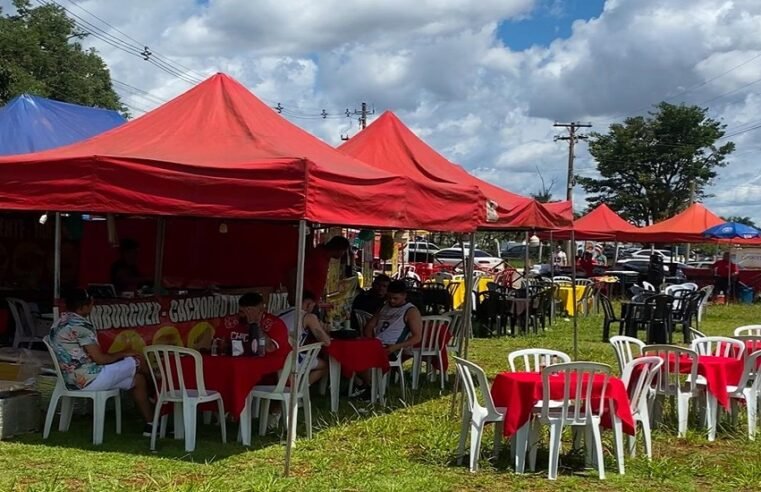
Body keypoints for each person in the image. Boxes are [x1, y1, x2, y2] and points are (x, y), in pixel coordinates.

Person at [48, 288, 154, 436]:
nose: (92, 306)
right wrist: (123, 353)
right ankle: (158, 390)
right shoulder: (81, 326)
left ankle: (151, 425)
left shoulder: (59, 321)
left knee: (138, 379)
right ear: (84, 306)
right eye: (91, 303)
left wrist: (119, 356)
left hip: (69, 379)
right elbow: (100, 359)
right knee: (137, 358)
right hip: (90, 379)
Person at [353, 280, 422, 399]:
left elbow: (417, 337)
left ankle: (371, 387)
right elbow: (369, 326)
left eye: (395, 298)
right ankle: (367, 385)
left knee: (361, 357)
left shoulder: (411, 311)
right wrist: (370, 340)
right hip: (377, 344)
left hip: (392, 347)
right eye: (389, 297)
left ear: (404, 296)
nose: (392, 301)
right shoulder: (384, 307)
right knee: (350, 354)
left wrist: (396, 347)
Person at [279, 290, 331, 385]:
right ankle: (300, 389)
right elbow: (326, 342)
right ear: (308, 304)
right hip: (291, 357)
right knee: (325, 365)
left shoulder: (280, 312)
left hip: (275, 354)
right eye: (313, 306)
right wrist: (323, 329)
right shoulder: (308, 317)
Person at [286, 236, 351, 304]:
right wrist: (292, 294)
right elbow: (293, 272)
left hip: (312, 300)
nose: (343, 254)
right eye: (343, 251)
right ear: (339, 249)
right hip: (305, 300)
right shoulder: (317, 256)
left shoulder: (324, 257)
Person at [237, 292, 290, 358]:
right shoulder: (239, 322)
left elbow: (269, 348)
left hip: (273, 363)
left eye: (243, 312)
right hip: (247, 360)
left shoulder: (275, 324)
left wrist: (256, 325)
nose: (240, 315)